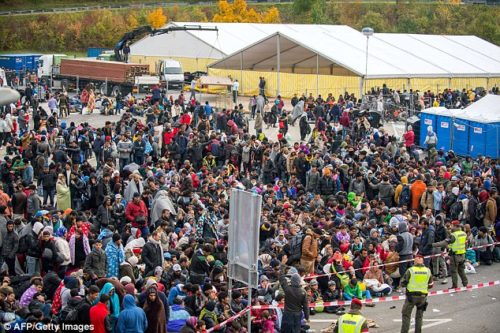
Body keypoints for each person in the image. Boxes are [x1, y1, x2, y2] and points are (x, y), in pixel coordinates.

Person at [400, 254, 433, 333]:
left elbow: (403, 282)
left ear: (415, 261)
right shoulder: (427, 270)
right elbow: (431, 284)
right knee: (419, 317)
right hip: (422, 297)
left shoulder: (411, 270)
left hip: (411, 297)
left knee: (406, 315)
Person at [433, 220, 468, 288]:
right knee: (461, 270)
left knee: (454, 271)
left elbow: (444, 243)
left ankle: (454, 286)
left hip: (455, 256)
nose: (451, 227)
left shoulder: (453, 235)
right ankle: (465, 283)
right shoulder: (464, 233)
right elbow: (465, 244)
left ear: (455, 226)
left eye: (452, 225)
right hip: (462, 255)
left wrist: (433, 245)